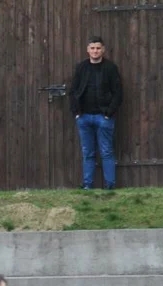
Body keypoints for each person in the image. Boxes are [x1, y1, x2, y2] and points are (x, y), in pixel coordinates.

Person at [68, 36, 123, 190]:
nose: (95, 51)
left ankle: (110, 186)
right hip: (84, 117)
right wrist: (77, 113)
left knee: (106, 152)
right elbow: (73, 91)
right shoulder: (81, 68)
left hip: (103, 117)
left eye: (98, 48)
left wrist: (109, 113)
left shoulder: (110, 68)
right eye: (92, 48)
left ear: (103, 50)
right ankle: (87, 186)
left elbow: (118, 93)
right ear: (88, 50)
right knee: (88, 153)